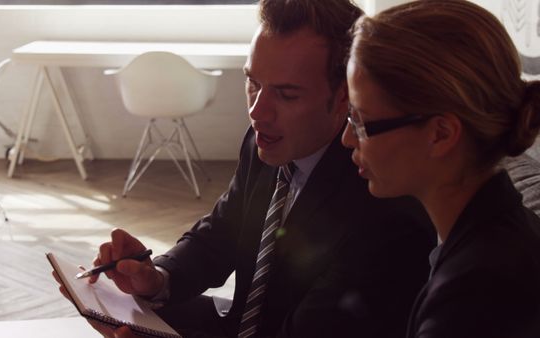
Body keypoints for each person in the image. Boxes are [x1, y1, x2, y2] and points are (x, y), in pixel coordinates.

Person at [56, 0, 435, 337]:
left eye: (286, 94)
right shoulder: (264, 142)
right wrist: (154, 278)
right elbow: (223, 230)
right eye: (253, 84)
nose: (257, 112)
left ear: (343, 98)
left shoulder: (382, 199)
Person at [341, 1, 540, 337]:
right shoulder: (485, 235)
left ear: (441, 134)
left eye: (362, 122)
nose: (348, 138)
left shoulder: (476, 297)